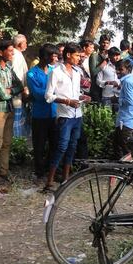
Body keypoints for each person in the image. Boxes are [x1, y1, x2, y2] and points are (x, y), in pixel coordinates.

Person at [44, 43, 90, 191]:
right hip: (64, 115)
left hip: (77, 114)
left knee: (72, 146)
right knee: (62, 147)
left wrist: (82, 97)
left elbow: (75, 93)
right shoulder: (56, 72)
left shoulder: (77, 72)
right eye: (77, 55)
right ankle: (49, 181)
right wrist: (66, 101)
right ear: (68, 55)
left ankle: (65, 179)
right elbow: (48, 96)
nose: (79, 58)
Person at [0, 38, 26, 184]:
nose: (12, 54)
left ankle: (3, 172)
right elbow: (3, 94)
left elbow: (20, 86)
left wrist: (10, 89)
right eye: (9, 51)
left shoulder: (8, 69)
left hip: (9, 109)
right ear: (0, 52)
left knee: (6, 142)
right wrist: (11, 90)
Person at [27, 43, 60, 181]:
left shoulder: (54, 70)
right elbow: (38, 94)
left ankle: (50, 168)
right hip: (39, 115)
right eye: (53, 56)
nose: (56, 58)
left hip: (54, 113)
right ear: (45, 57)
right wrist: (53, 94)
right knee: (39, 144)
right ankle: (39, 170)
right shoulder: (32, 74)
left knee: (54, 143)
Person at [114, 60, 133, 156]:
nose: (117, 71)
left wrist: (118, 99)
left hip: (125, 120)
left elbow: (130, 101)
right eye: (116, 69)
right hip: (131, 119)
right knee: (125, 146)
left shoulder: (126, 82)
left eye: (120, 69)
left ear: (128, 70)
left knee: (125, 149)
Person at [11, 34, 30, 138]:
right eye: (25, 42)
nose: (26, 44)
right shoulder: (16, 55)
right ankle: (17, 146)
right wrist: (23, 91)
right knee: (16, 123)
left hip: (16, 93)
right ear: (19, 44)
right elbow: (17, 77)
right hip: (17, 94)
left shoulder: (16, 54)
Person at [88, 35, 110, 102]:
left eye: (107, 43)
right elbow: (93, 72)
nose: (105, 45)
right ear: (99, 42)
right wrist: (104, 63)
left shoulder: (110, 54)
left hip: (107, 88)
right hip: (96, 88)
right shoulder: (94, 55)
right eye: (103, 42)